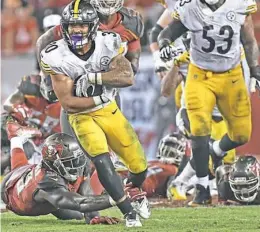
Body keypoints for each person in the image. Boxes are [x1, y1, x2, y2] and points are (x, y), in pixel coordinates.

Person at [40, 1, 149, 227]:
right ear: (64, 27)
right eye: (72, 26)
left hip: (109, 110)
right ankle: (127, 212)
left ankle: (133, 192)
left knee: (139, 165)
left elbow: (128, 77)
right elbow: (69, 103)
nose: (77, 31)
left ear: (93, 27)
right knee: (98, 160)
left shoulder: (108, 42)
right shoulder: (55, 54)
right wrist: (99, 96)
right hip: (81, 115)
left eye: (81, 26)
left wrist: (93, 78)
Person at [158, 0, 260, 206]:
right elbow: (166, 33)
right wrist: (164, 46)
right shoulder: (189, 6)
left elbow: (249, 42)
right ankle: (201, 188)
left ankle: (214, 151)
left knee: (241, 134)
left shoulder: (239, 4)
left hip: (231, 75)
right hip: (200, 74)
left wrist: (255, 71)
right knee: (199, 130)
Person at [1, 118, 144, 224]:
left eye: (77, 159)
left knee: (75, 216)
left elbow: (85, 192)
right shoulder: (45, 182)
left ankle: (15, 137)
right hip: (12, 192)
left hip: (40, 186)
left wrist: (94, 216)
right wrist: (118, 197)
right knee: (19, 168)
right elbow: (80, 203)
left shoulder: (75, 165)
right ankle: (15, 138)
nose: (77, 165)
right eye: (70, 161)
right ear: (55, 162)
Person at [91, 133, 186, 198]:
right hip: (139, 185)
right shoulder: (173, 170)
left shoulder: (154, 162)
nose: (170, 151)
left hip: (130, 176)